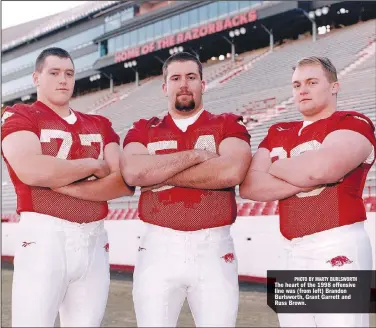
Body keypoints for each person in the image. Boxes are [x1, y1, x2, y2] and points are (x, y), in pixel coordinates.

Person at [1, 47, 134, 327]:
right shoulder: (21, 115)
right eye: (54, 73)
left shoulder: (99, 124)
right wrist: (94, 166)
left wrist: (61, 183)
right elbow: (32, 170)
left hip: (94, 240)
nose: (64, 79)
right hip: (44, 235)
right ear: (37, 78)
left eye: (69, 74)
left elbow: (123, 181)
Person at [239, 56, 375, 327]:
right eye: (297, 84)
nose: (302, 90)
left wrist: (275, 168)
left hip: (337, 242)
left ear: (334, 86)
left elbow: (322, 169)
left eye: (312, 82)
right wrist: (309, 176)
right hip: (291, 249)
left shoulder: (353, 121)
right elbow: (249, 186)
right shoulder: (278, 130)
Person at [120, 52, 252, 327]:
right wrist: (196, 156)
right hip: (158, 246)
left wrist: (157, 173)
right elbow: (133, 172)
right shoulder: (144, 128)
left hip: (213, 246)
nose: (184, 84)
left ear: (203, 85)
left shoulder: (227, 123)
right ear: (165, 87)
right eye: (176, 78)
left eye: (191, 77)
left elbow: (231, 171)